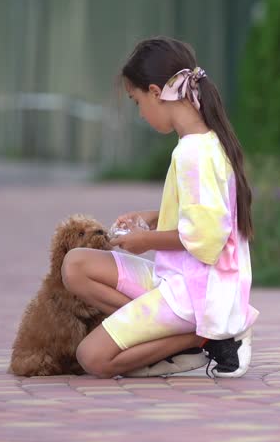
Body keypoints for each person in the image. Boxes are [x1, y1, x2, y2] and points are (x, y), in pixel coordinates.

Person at [62, 36, 256, 378]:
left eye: (137, 101)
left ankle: (207, 338)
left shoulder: (194, 153)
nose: (140, 112)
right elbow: (207, 214)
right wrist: (153, 218)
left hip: (196, 295)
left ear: (155, 92)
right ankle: (176, 340)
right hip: (178, 279)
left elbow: (207, 239)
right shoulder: (200, 142)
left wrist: (145, 241)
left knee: (92, 356)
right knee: (75, 265)